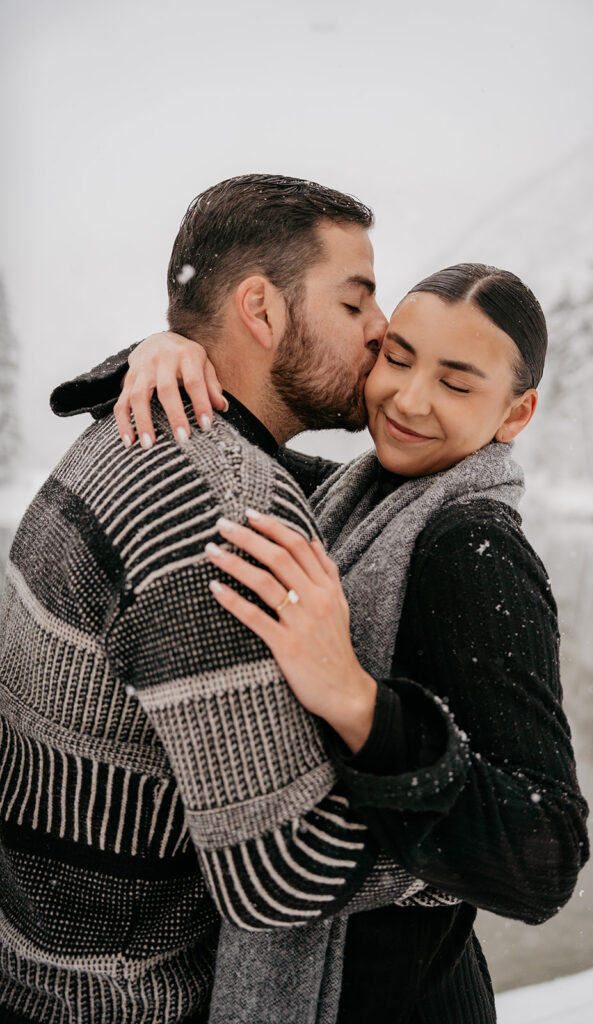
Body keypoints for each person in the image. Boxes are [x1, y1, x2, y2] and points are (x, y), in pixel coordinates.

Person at [55, 261, 590, 1022]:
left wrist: (356, 699)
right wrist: (168, 350)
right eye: (397, 357)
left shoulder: (473, 549)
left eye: (456, 383)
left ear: (515, 414)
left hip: (399, 1001)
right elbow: (233, 436)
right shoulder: (356, 493)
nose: (408, 399)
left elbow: (545, 856)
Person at [0, 174, 462, 1024]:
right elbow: (278, 875)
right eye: (356, 301)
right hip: (115, 1002)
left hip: (42, 970)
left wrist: (160, 342)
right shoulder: (219, 505)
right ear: (261, 309)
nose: (382, 328)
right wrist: (474, 843)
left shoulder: (129, 431)